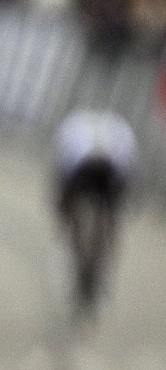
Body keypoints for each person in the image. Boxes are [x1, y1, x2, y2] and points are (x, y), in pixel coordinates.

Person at [53, 109, 137, 309]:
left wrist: (61, 212)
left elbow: (60, 172)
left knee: (69, 212)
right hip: (112, 169)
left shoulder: (71, 125)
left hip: (83, 166)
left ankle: (81, 258)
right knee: (112, 219)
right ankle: (102, 265)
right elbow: (131, 172)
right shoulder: (121, 129)